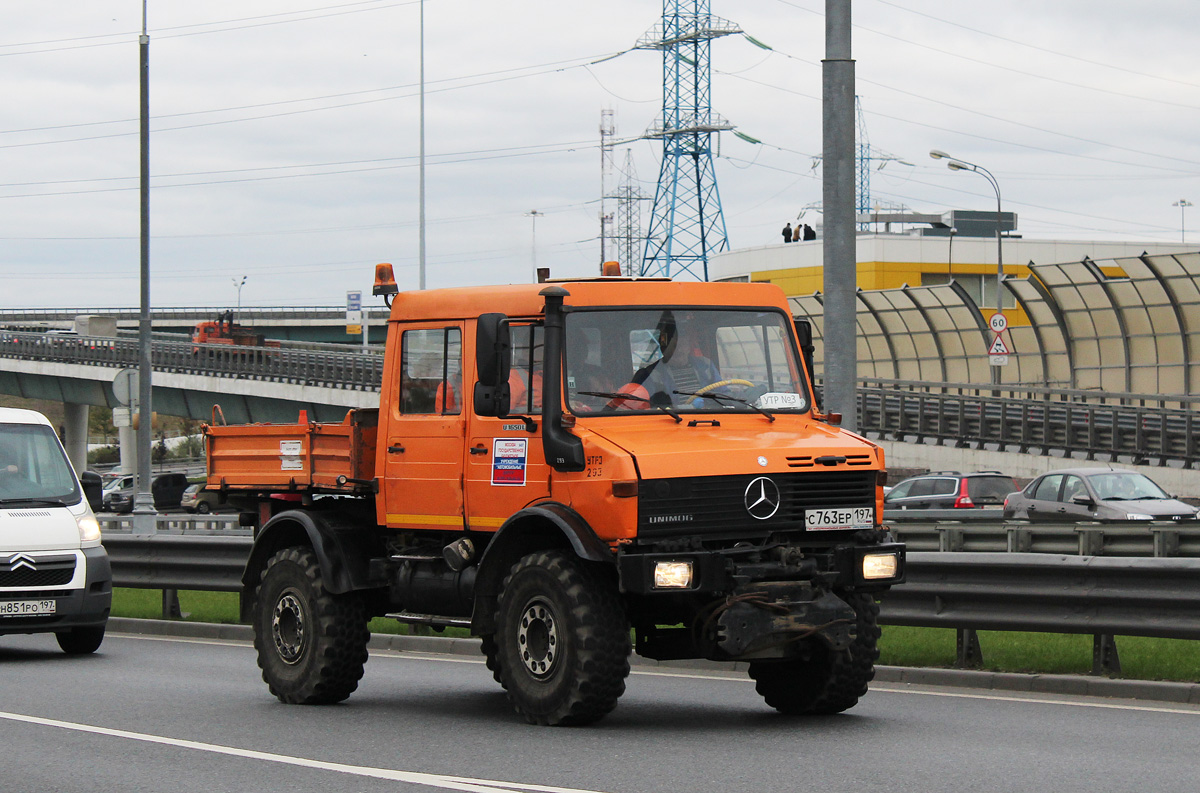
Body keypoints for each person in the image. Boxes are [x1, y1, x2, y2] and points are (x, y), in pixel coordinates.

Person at [631, 312, 721, 408]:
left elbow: (723, 394)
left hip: (709, 415)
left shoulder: (706, 365)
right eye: (672, 346)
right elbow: (650, 406)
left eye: (681, 345)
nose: (678, 350)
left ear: (689, 346)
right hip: (673, 419)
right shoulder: (652, 374)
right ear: (663, 349)